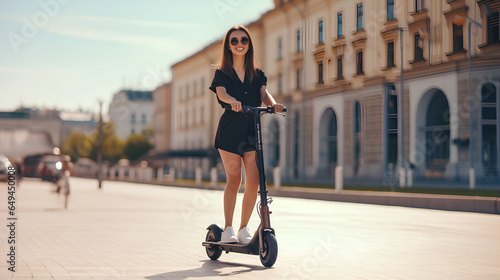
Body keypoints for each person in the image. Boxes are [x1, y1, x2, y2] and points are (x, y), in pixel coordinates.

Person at [209, 25, 284, 244]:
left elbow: (264, 93)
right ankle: (228, 229)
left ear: (249, 44)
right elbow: (221, 92)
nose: (239, 44)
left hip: (252, 130)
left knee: (254, 182)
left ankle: (243, 229)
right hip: (230, 131)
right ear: (228, 46)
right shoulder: (222, 73)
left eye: (244, 40)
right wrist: (232, 101)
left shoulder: (257, 74)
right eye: (234, 41)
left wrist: (273, 104)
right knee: (234, 180)